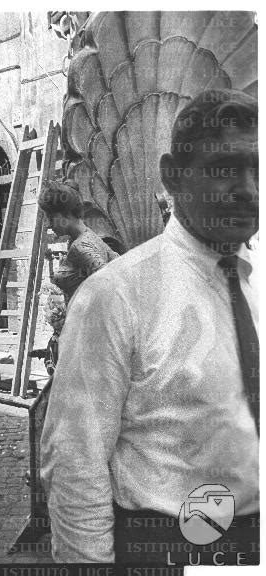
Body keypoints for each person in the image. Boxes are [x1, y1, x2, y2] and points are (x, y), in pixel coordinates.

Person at [40, 89, 259, 565]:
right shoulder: (115, 296)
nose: (248, 187)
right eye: (227, 167)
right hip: (167, 549)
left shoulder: (257, 285)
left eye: (259, 169)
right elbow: (76, 463)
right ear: (173, 175)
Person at [38, 179, 119, 306]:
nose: (48, 224)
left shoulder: (79, 247)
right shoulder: (89, 235)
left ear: (64, 213)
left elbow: (112, 286)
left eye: (50, 217)